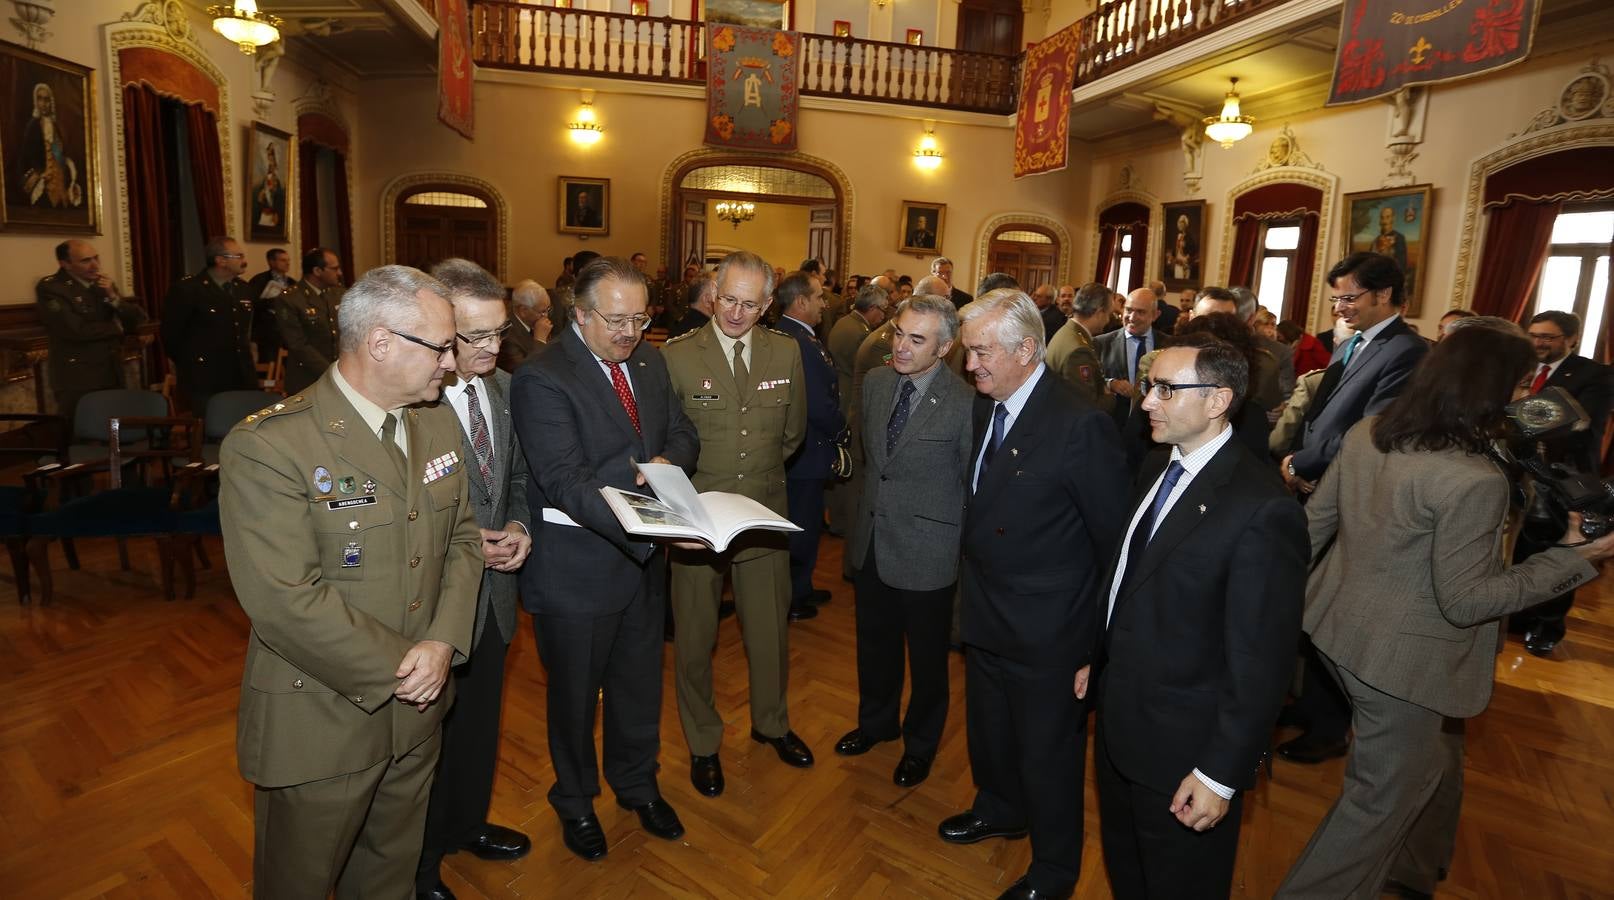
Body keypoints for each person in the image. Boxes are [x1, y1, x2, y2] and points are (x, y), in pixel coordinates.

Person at [1275, 325, 1614, 900]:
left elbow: (1312, 530)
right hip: (1404, 660)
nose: (1525, 396)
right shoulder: (1472, 479)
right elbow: (1468, 601)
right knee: (1379, 799)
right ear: (1492, 390)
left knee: (1435, 756)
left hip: (1336, 628)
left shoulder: (1369, 434)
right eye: (1517, 383)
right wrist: (1572, 557)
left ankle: (1413, 870)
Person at [219, 264, 481, 898]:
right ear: (382, 342)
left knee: (389, 877)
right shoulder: (273, 445)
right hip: (323, 717)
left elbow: (464, 539)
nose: (453, 363)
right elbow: (285, 600)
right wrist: (409, 665)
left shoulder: (436, 421)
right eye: (442, 346)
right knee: (299, 883)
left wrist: (444, 642)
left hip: (420, 710)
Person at [1089, 340, 1306, 899]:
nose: (1146, 402)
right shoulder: (1160, 462)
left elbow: (1262, 662)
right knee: (1129, 872)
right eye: (1149, 386)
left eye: (1165, 389)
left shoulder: (1263, 509)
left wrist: (1218, 773)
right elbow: (1130, 579)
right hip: (1121, 723)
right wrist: (1099, 657)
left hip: (1185, 751)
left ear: (1218, 401)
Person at [939, 290, 1128, 900]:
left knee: (1049, 758)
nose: (971, 366)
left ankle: (1054, 871)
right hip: (988, 612)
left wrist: (1092, 648)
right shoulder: (986, 406)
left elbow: (1113, 546)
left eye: (981, 352)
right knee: (991, 733)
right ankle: (999, 808)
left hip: (1051, 631)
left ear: (1027, 349)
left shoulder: (1080, 424)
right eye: (968, 353)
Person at [512, 256, 699, 860]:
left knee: (639, 686)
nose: (630, 333)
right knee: (573, 697)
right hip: (578, 568)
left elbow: (683, 433)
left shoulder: (647, 359)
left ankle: (637, 785)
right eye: (616, 320)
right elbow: (565, 479)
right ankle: (574, 800)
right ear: (580, 314)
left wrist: (664, 467)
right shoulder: (542, 376)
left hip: (642, 561)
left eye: (640, 319)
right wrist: (650, 508)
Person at [660, 251, 812, 798]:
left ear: (768, 305)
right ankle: (703, 742)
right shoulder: (676, 357)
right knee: (696, 638)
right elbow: (665, 443)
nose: (737, 312)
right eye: (728, 299)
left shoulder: (786, 351)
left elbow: (791, 434)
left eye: (751, 304)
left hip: (764, 516)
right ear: (711, 293)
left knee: (769, 633)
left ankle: (773, 724)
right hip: (695, 524)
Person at [1277, 253, 1428, 765]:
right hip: (1316, 479)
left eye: (1349, 297)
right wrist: (1295, 455)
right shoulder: (1359, 340)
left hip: (1345, 490)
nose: (1340, 307)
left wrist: (1307, 461)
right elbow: (1321, 411)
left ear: (1383, 295)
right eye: (1336, 296)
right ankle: (1306, 704)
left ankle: (1330, 725)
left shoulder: (1404, 350)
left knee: (1330, 609)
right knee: (1307, 601)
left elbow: (1370, 429)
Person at [414, 260, 534, 899]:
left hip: (496, 597)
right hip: (432, 604)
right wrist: (464, 544)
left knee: (480, 722)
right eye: (475, 337)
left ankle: (465, 824)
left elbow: (516, 479)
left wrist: (519, 529)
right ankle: (420, 861)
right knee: (426, 740)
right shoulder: (412, 405)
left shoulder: (507, 391)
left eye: (498, 333)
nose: (492, 348)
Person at [836, 295, 973, 788]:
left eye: (917, 340)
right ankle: (876, 724)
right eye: (898, 333)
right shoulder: (874, 383)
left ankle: (920, 746)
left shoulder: (965, 402)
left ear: (945, 347)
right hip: (873, 539)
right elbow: (871, 463)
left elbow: (968, 485)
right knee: (874, 646)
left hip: (928, 552)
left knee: (928, 661)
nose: (901, 346)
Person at [1509, 310, 1613, 656]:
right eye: (1534, 334)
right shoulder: (1518, 367)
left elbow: (1579, 426)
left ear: (1572, 339)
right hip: (1520, 474)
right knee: (1521, 551)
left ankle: (1548, 625)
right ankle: (1519, 615)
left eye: (1548, 337)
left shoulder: (1594, 374)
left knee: (1561, 551)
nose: (1538, 342)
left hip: (1564, 477)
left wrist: (1518, 412)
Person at [773, 272, 845, 621]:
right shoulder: (797, 340)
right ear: (800, 301)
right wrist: (842, 431)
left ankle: (800, 586)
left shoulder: (799, 336)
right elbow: (817, 403)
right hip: (806, 451)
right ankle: (792, 595)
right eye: (818, 297)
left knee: (806, 521)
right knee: (801, 524)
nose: (823, 303)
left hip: (806, 450)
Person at [35, 239, 147, 426]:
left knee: (114, 431)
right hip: (79, 376)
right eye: (86, 260)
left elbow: (137, 320)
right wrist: (116, 328)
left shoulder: (102, 285)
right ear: (65, 264)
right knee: (81, 431)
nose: (95, 265)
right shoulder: (52, 288)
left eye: (96, 258)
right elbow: (74, 330)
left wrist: (112, 297)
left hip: (111, 369)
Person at [160, 235, 255, 416]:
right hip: (204, 376)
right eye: (239, 256)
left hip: (240, 373)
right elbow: (171, 335)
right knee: (208, 428)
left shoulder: (243, 288)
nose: (244, 261)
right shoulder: (188, 289)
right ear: (221, 260)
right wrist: (188, 364)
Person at [277, 247, 346, 395]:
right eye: (334, 269)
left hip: (342, 376)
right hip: (307, 379)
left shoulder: (338, 293)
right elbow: (298, 344)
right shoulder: (291, 298)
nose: (339, 273)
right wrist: (331, 371)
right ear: (317, 271)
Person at [1095, 288, 1160, 428]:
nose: (1132, 317)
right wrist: (1110, 383)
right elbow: (1089, 383)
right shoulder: (1100, 343)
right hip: (1112, 427)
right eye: (1129, 310)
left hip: (1154, 428)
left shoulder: (1169, 345)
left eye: (1141, 312)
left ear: (1155, 315)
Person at [1044, 281, 1111, 411]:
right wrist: (1110, 396)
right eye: (1108, 314)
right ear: (1099, 312)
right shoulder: (1079, 350)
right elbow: (1086, 405)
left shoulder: (1068, 331)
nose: (1108, 320)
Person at [19, 82, 83, 209]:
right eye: (40, 99)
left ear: (51, 102)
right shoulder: (32, 127)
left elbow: (62, 153)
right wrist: (40, 173)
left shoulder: (57, 127)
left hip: (59, 182)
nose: (43, 103)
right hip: (42, 182)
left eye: (46, 99)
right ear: (36, 101)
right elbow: (27, 156)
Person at [246, 248, 295, 365]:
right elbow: (251, 304)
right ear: (271, 262)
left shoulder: (292, 282)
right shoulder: (259, 281)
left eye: (288, 260)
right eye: (283, 260)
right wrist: (273, 301)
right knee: (269, 364)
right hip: (266, 333)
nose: (287, 263)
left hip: (287, 332)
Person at [498, 279, 552, 373]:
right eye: (542, 312)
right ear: (523, 311)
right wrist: (540, 340)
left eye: (548, 309)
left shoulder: (536, 324)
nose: (546, 316)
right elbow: (525, 372)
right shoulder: (506, 335)